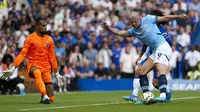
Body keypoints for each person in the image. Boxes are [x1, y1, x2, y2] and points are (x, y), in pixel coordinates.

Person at [102, 11, 188, 102]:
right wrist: (108, 28)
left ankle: (163, 95)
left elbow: (165, 18)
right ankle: (147, 96)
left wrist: (179, 16)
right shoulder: (133, 31)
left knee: (159, 70)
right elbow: (120, 32)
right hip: (155, 51)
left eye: (135, 21)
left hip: (163, 47)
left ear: (139, 18)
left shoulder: (148, 19)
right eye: (132, 22)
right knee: (141, 71)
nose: (134, 24)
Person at [0, 18, 64, 104]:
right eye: (43, 25)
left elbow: (52, 57)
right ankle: (44, 96)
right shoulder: (30, 38)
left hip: (46, 67)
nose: (46, 27)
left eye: (46, 25)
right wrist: (13, 68)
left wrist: (56, 73)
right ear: (37, 26)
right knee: (37, 73)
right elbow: (22, 54)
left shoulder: (49, 39)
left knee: (51, 99)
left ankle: (44, 96)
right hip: (33, 65)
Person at [122, 10, 173, 104]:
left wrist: (162, 54)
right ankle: (136, 95)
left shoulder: (161, 29)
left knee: (155, 83)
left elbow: (169, 42)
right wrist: (140, 56)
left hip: (161, 54)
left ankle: (168, 92)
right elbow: (145, 44)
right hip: (152, 56)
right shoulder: (147, 28)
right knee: (139, 70)